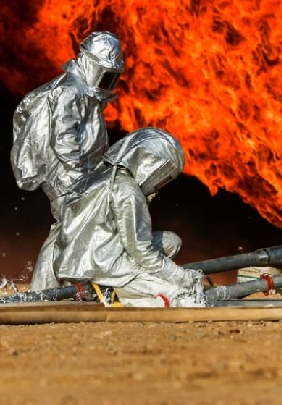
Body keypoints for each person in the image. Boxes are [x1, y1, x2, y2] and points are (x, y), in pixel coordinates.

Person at [10, 31, 124, 291]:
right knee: (73, 230)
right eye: (105, 73)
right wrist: (77, 178)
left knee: (70, 230)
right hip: (67, 176)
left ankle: (49, 289)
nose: (108, 81)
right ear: (91, 63)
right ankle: (49, 290)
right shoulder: (69, 91)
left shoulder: (82, 91)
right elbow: (64, 139)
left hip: (79, 174)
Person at [53, 128, 203, 306]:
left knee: (171, 241)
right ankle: (109, 290)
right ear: (150, 164)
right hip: (101, 267)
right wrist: (181, 277)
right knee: (182, 294)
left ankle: (111, 286)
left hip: (79, 259)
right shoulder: (128, 191)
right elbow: (141, 250)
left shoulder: (101, 175)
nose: (160, 183)